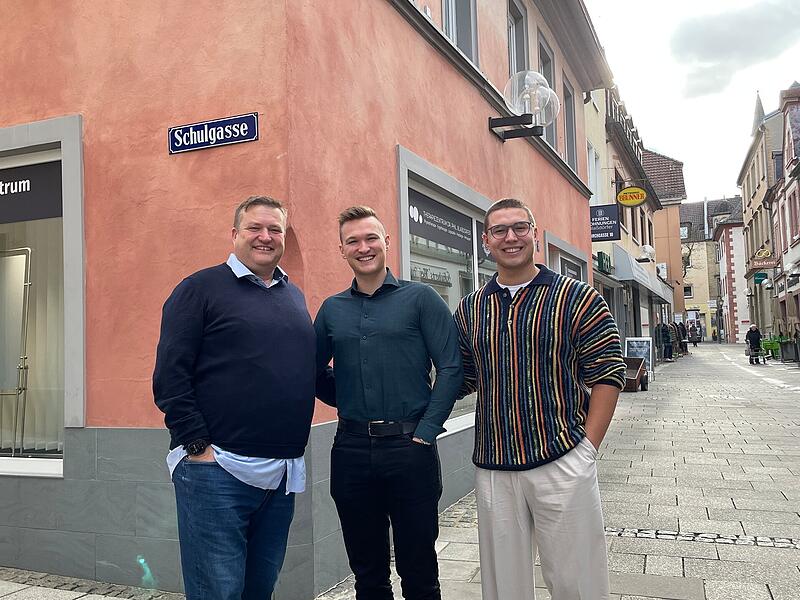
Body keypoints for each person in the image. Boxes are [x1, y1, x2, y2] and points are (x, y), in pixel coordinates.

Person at [454, 198, 626, 600]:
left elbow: (608, 372)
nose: (510, 237)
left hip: (562, 457)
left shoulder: (577, 297)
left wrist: (587, 450)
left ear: (535, 232)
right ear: (486, 240)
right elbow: (461, 377)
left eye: (519, 227)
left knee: (577, 583)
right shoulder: (470, 308)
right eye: (499, 230)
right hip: (495, 464)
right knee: (503, 588)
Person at [153, 196, 316, 600]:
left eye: (274, 229)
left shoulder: (292, 296)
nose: (265, 237)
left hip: (280, 476)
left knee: (259, 590)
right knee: (218, 593)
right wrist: (197, 446)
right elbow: (170, 376)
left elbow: (303, 370)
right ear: (234, 234)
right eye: (255, 228)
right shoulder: (199, 289)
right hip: (217, 472)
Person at [314, 205, 463, 600]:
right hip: (350, 451)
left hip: (410, 447)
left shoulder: (421, 298)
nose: (363, 247)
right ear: (342, 250)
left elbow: (451, 368)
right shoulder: (331, 310)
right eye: (353, 241)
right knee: (367, 573)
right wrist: (346, 396)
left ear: (386, 242)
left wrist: (427, 431)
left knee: (419, 571)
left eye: (370, 238)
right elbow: (310, 370)